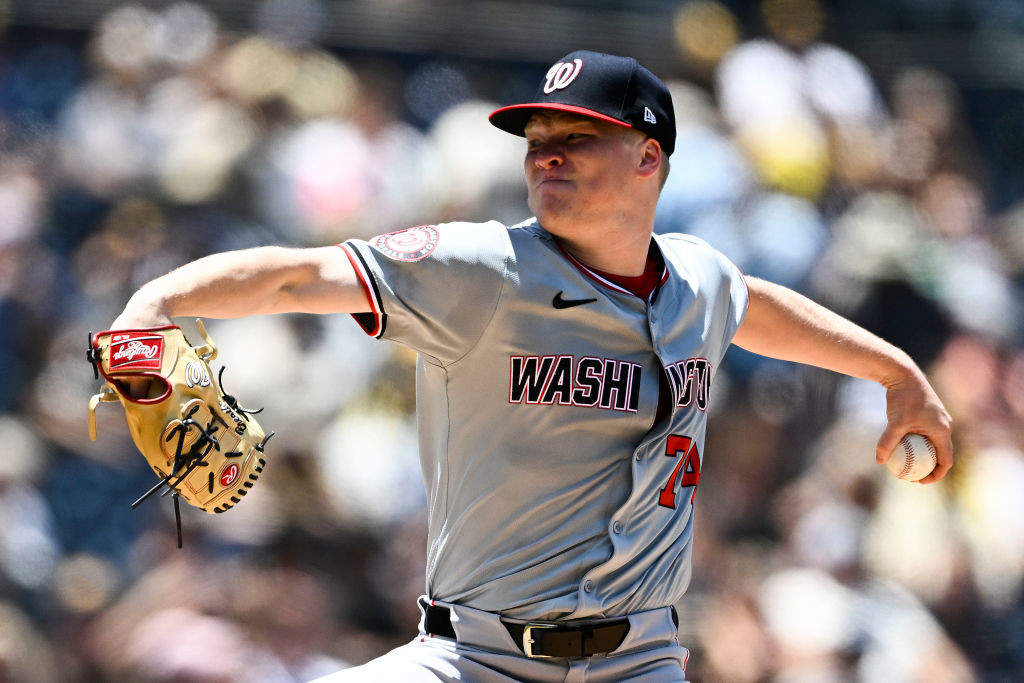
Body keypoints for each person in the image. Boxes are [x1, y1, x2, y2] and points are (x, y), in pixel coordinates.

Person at [110, 50, 953, 682]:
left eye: (577, 138)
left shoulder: (699, 278)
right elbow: (303, 272)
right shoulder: (480, 268)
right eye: (537, 139)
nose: (545, 155)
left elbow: (754, 304)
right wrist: (158, 299)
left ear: (649, 158)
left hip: (640, 660)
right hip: (473, 657)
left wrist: (897, 374)